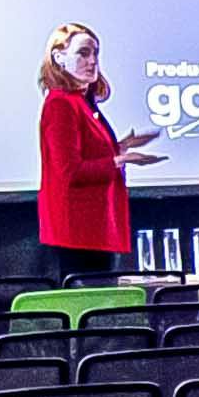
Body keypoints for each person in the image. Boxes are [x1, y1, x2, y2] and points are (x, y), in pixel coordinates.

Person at [33, 24, 161, 283]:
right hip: (78, 232)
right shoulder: (60, 104)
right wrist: (119, 160)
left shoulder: (82, 102)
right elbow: (70, 171)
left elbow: (90, 153)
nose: (92, 61)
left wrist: (123, 146)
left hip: (96, 228)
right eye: (83, 53)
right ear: (59, 57)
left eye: (96, 54)